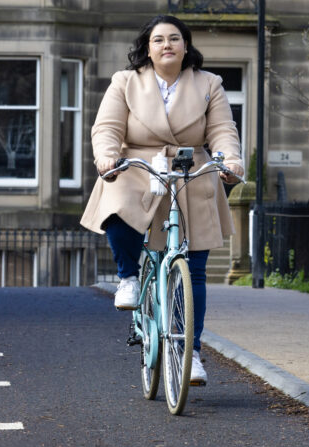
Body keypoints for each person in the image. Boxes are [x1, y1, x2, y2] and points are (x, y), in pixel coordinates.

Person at [80, 14, 244, 387]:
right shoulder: (126, 82)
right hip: (136, 163)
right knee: (116, 201)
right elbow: (106, 127)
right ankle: (128, 279)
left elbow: (222, 130)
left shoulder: (209, 83)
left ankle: (192, 353)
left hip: (190, 168)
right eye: (158, 40)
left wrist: (229, 159)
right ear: (148, 49)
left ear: (186, 47)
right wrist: (106, 156)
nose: (167, 44)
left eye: (174, 38)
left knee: (196, 269)